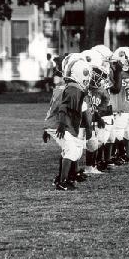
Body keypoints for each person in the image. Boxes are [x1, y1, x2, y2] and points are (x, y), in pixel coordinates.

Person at [43, 57, 93, 190]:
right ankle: (62, 181)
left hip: (57, 123)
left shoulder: (62, 87)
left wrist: (46, 128)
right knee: (71, 150)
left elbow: (52, 108)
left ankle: (62, 178)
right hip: (61, 124)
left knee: (71, 150)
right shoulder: (73, 89)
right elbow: (62, 108)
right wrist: (61, 125)